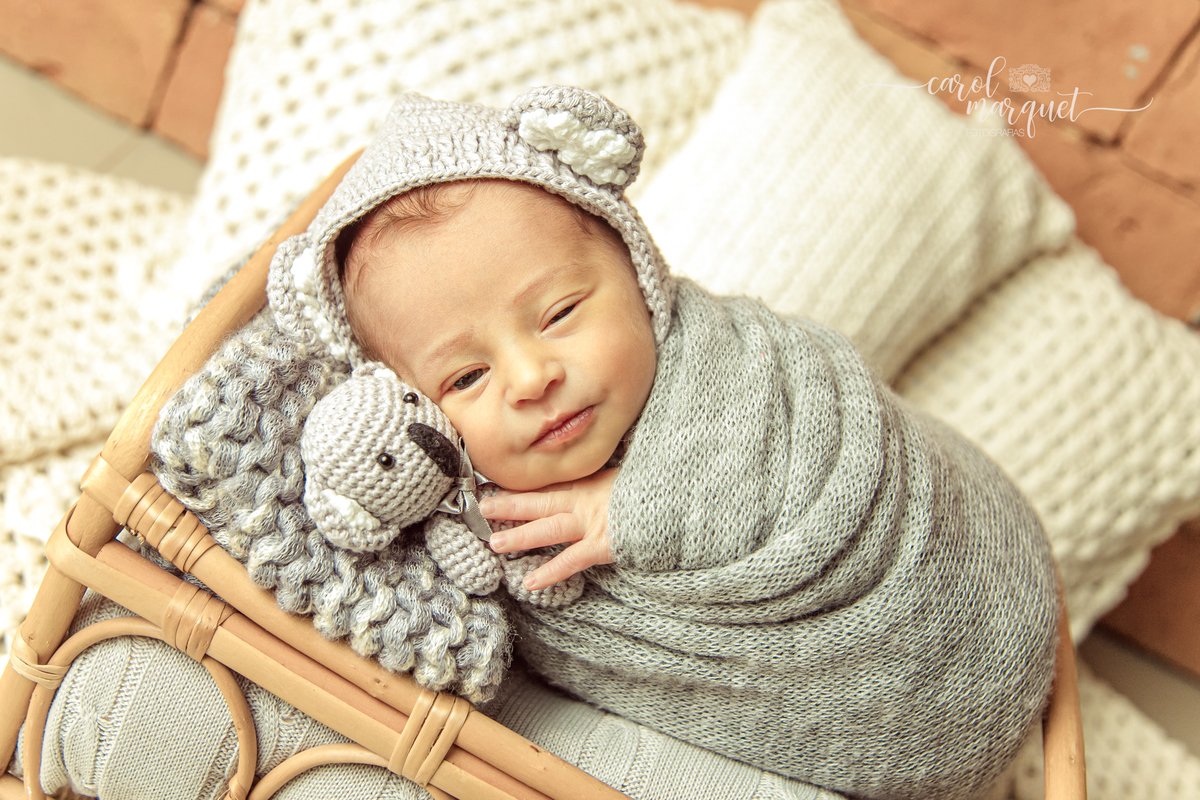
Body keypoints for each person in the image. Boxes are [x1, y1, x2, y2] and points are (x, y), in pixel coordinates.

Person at [267, 85, 1060, 800]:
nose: (531, 377)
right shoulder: (482, 529)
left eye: (559, 313)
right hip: (880, 719)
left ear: (639, 271)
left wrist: (647, 503)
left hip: (974, 582)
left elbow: (834, 435)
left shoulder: (730, 359)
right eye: (466, 379)